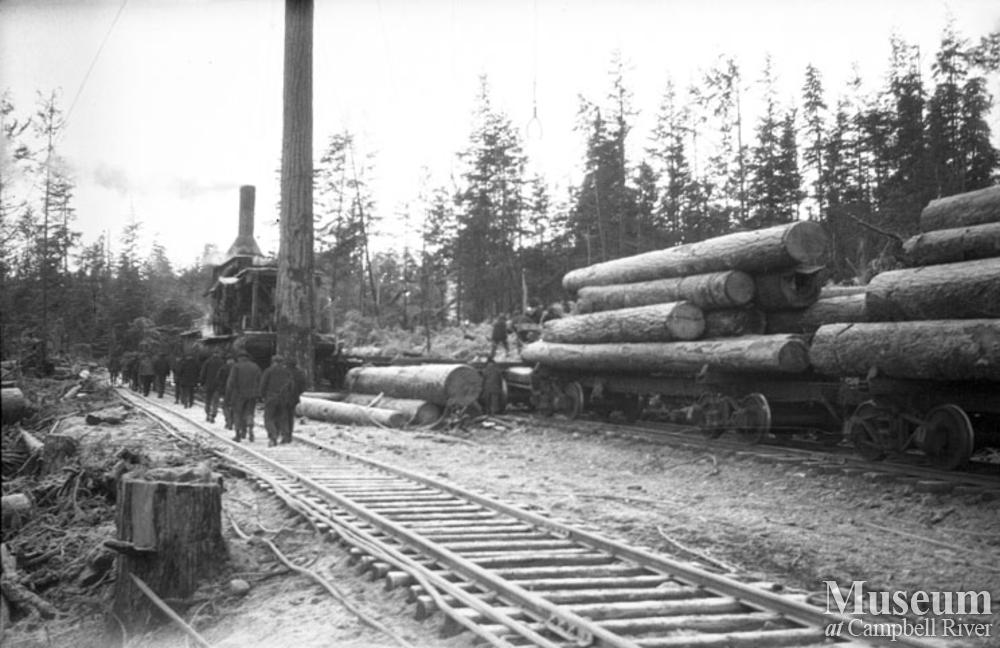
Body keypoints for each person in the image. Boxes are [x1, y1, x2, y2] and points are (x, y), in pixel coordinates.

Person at [259, 354, 295, 446]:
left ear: (273, 362)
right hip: (283, 398)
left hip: (271, 398)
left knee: (269, 418)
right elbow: (291, 386)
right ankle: (285, 436)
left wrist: (262, 396)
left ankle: (273, 436)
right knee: (282, 418)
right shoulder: (287, 372)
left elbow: (263, 385)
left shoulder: (268, 371)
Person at [226, 352, 261, 442]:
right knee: (249, 412)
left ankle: (238, 434)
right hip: (252, 394)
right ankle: (250, 429)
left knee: (238, 413)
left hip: (239, 394)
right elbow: (259, 380)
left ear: (239, 358)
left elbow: (231, 381)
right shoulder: (255, 367)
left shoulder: (236, 367)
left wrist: (229, 394)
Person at [199, 351, 226, 422]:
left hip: (208, 384)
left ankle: (208, 413)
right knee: (215, 401)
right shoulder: (222, 362)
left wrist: (202, 382)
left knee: (208, 400)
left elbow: (203, 372)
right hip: (217, 385)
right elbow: (224, 374)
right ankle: (213, 415)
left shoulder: (208, 362)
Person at [285, 357, 308, 439]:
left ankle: (284, 433)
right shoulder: (300, 373)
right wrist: (298, 393)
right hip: (294, 397)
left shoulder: (284, 371)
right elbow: (304, 386)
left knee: (283, 416)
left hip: (283, 397)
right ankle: (289, 434)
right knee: (290, 416)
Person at [215, 355, 236, 429]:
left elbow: (218, 379)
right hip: (235, 391)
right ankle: (232, 420)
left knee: (225, 406)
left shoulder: (223, 368)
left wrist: (219, 388)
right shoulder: (237, 368)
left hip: (224, 391)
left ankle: (228, 420)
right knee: (233, 407)